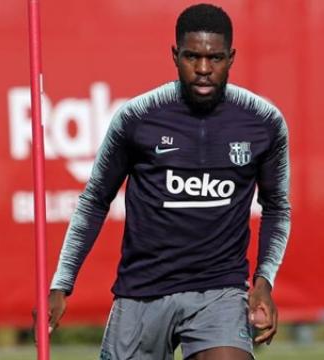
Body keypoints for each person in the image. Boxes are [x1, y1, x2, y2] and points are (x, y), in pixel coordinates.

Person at [43, 3, 291, 359]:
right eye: (192, 57)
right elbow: (95, 199)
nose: (203, 69)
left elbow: (277, 208)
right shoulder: (137, 117)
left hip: (219, 290)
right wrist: (61, 285)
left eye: (215, 58)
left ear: (231, 58)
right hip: (142, 290)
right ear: (175, 55)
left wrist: (264, 282)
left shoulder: (263, 121)